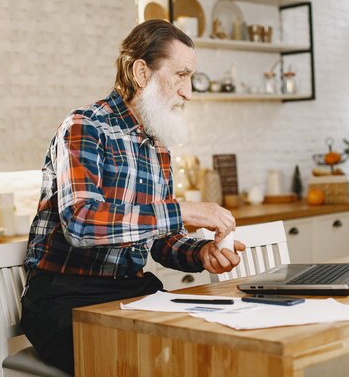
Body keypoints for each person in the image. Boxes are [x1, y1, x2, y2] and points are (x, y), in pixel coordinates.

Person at [21, 19, 246, 374]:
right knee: (151, 365)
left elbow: (159, 241)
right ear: (141, 72)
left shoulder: (158, 144)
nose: (188, 92)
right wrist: (183, 210)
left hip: (132, 291)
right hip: (65, 299)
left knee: (212, 348)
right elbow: (81, 223)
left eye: (191, 78)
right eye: (180, 75)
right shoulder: (85, 127)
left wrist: (201, 252)